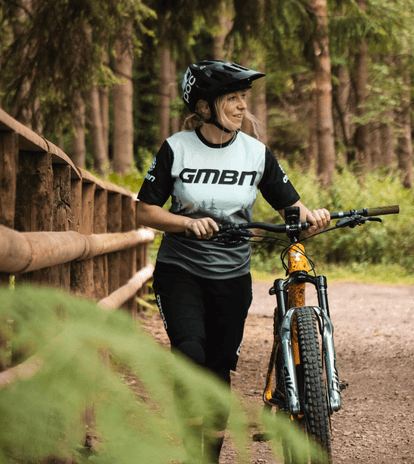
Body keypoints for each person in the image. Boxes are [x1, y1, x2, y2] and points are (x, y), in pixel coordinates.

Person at [136, 60, 331, 463]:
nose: (243, 107)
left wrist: (313, 219)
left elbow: (293, 210)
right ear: (204, 107)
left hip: (233, 277)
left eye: (244, 98)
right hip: (181, 272)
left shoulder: (256, 154)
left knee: (219, 368)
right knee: (191, 358)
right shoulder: (177, 148)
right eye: (233, 99)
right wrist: (185, 224)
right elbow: (143, 212)